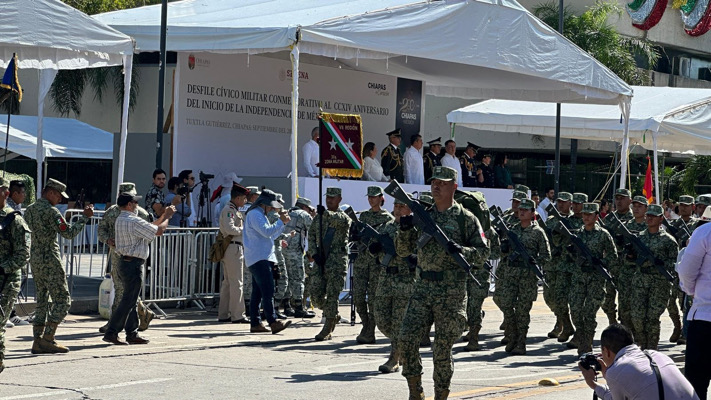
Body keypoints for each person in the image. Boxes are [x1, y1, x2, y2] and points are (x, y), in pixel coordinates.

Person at [396, 166, 490, 399]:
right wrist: (405, 230)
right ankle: (415, 391)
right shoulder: (423, 215)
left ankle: (441, 394)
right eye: (434, 182)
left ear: (454, 187)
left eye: (443, 182)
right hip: (423, 288)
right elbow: (402, 251)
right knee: (406, 339)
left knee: (441, 348)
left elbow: (484, 253)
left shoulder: (465, 219)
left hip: (452, 291)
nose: (436, 186)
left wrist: (463, 251)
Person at [24, 178, 93, 354]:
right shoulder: (52, 212)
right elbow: (68, 233)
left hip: (35, 259)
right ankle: (48, 338)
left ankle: (37, 340)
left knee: (42, 301)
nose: (60, 200)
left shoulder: (30, 210)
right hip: (50, 260)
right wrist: (84, 217)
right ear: (51, 193)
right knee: (63, 300)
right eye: (59, 196)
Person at [102, 193, 175, 345]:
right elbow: (159, 230)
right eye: (134, 202)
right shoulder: (133, 220)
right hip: (132, 264)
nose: (136, 205)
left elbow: (151, 227)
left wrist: (162, 216)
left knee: (131, 299)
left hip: (125, 262)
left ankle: (131, 332)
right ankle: (112, 331)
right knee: (128, 300)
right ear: (129, 205)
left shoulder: (121, 219)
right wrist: (167, 216)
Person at [579, 323, 699, 400]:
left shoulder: (616, 371)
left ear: (607, 351)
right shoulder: (656, 355)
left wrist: (593, 384)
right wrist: (607, 377)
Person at [97, 183, 155, 335]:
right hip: (117, 256)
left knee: (126, 292)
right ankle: (137, 319)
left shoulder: (141, 213)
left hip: (134, 256)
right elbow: (101, 229)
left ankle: (116, 325)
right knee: (122, 290)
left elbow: (149, 234)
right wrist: (108, 240)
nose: (134, 203)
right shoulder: (111, 212)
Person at [498, 198, 551, 355]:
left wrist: (534, 260)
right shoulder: (512, 230)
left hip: (527, 276)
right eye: (520, 209)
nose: (521, 212)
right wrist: (504, 247)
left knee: (522, 311)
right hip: (510, 274)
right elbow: (502, 252)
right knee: (506, 304)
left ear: (533, 213)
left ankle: (521, 341)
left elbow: (546, 256)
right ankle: (512, 336)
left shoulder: (538, 232)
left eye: (526, 210)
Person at [370, 198, 416, 373]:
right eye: (395, 206)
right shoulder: (387, 226)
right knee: (380, 318)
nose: (397, 210)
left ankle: (394, 358)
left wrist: (414, 258)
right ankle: (403, 346)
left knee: (398, 321)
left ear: (409, 209)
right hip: (385, 278)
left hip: (404, 280)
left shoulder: (414, 228)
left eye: (401, 206)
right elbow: (376, 249)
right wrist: (373, 247)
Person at [625, 204, 678, 350]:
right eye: (648, 215)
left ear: (661, 218)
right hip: (641, 280)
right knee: (637, 316)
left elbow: (676, 263)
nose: (650, 218)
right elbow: (629, 261)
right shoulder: (639, 238)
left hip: (659, 282)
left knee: (652, 318)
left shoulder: (668, 240)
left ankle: (652, 349)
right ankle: (641, 345)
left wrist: (663, 263)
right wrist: (629, 255)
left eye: (654, 216)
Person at [568, 202, 617, 355]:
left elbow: (613, 257)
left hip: (596, 279)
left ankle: (586, 344)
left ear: (597, 216)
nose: (586, 217)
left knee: (589, 313)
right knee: (575, 311)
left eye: (589, 214)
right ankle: (581, 337)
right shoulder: (577, 235)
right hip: (579, 278)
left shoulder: (603, 234)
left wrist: (601, 262)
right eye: (584, 214)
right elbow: (569, 257)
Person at [243, 189, 292, 334]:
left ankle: (256, 323)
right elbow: (267, 232)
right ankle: (272, 321)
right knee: (268, 290)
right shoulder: (255, 214)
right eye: (270, 206)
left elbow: (271, 235)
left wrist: (281, 224)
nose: (271, 209)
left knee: (257, 293)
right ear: (264, 204)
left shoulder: (258, 214)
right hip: (259, 257)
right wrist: (280, 221)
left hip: (260, 256)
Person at [307, 187, 351, 340]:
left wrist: (323, 214)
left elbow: (340, 221)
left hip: (336, 262)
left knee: (332, 295)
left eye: (333, 197)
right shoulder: (318, 218)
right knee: (316, 296)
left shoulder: (343, 217)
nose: (329, 200)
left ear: (339, 199)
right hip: (321, 261)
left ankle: (327, 329)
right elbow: (311, 235)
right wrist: (313, 253)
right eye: (328, 197)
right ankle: (333, 314)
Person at [353, 186, 394, 344]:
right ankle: (366, 324)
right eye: (369, 197)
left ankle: (370, 330)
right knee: (358, 296)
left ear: (381, 198)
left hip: (377, 263)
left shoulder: (387, 218)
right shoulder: (363, 216)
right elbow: (356, 236)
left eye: (374, 197)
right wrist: (355, 235)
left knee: (373, 299)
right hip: (362, 261)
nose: (371, 199)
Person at [678, 213, 711, 399]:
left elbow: (686, 270)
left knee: (696, 387)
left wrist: (691, 291)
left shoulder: (705, 232)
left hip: (705, 319)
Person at [0, 176, 31, 373]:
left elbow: (23, 253)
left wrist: (4, 268)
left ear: (6, 194)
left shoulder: (13, 220)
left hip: (6, 280)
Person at [543, 192, 575, 344]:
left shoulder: (576, 220)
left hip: (569, 266)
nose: (561, 204)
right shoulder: (550, 220)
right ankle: (562, 321)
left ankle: (564, 325)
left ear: (571, 203)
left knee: (564, 298)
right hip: (552, 264)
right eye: (559, 202)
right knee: (550, 297)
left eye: (564, 202)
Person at [668, 194, 698, 345]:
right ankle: (677, 325)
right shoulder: (673, 224)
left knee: (685, 301)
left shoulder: (697, 225)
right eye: (682, 205)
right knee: (671, 300)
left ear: (693, 207)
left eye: (687, 205)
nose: (684, 208)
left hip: (689, 266)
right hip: (673, 266)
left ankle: (685, 330)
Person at [217, 184, 250, 324]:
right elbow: (230, 228)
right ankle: (238, 315)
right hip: (233, 248)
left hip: (233, 248)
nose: (245, 201)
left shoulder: (233, 210)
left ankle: (224, 313)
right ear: (237, 198)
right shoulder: (229, 210)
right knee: (237, 283)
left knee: (228, 283)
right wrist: (245, 229)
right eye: (243, 198)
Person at [602, 188, 634, 327]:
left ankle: (625, 326)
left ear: (629, 201)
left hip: (627, 264)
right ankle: (612, 322)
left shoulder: (635, 220)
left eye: (622, 198)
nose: (619, 201)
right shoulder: (609, 219)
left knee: (626, 298)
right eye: (617, 198)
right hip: (610, 263)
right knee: (607, 297)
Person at [617, 195, 648, 334]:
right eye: (634, 206)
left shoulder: (649, 227)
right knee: (624, 307)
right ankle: (626, 336)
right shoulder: (626, 226)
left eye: (640, 206)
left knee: (640, 308)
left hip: (642, 273)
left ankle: (640, 337)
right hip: (626, 272)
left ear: (646, 209)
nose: (636, 209)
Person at [282, 197, 316, 318]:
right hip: (295, 252)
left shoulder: (287, 212)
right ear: (304, 207)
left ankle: (286, 306)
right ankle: (299, 307)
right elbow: (314, 229)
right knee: (298, 278)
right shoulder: (303, 214)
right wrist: (314, 216)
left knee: (285, 279)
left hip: (282, 250)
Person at [4, 180, 28, 329]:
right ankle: (7, 315)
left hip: (16, 254)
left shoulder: (16, 207)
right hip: (8, 254)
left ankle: (10, 314)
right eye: (22, 193)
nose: (24, 196)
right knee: (7, 286)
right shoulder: (7, 209)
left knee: (14, 286)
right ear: (14, 194)